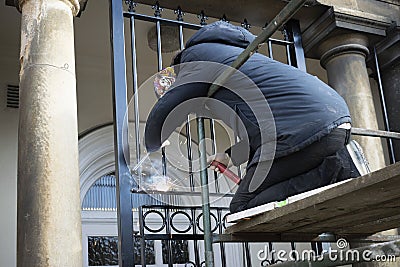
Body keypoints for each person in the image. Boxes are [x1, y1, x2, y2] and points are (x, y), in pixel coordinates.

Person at [144, 21, 368, 213]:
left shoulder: (195, 60)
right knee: (284, 183)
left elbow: (165, 109)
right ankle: (338, 166)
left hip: (306, 130)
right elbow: (267, 128)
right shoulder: (230, 59)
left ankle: (337, 169)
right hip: (333, 123)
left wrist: (152, 145)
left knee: (243, 205)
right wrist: (230, 155)